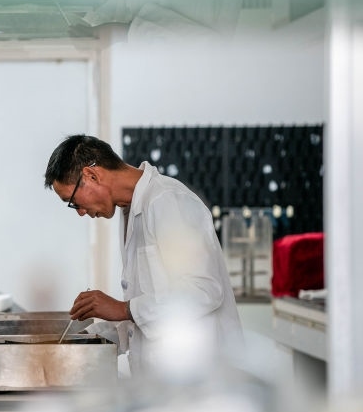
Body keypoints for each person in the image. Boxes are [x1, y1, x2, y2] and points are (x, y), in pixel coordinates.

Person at [43, 134, 243, 377]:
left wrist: (123, 309)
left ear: (91, 175)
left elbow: (204, 290)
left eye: (73, 201)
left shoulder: (168, 201)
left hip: (203, 379)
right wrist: (93, 339)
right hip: (165, 381)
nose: (80, 212)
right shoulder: (130, 210)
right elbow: (151, 307)